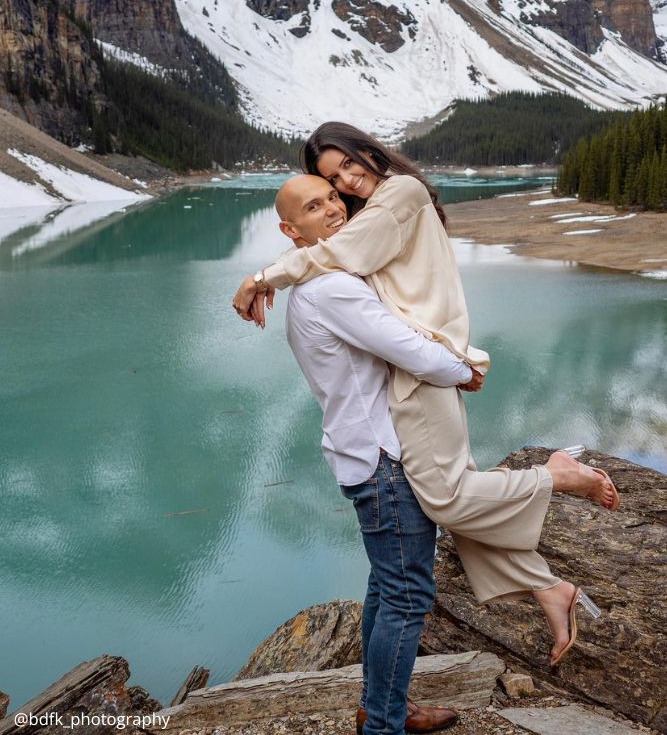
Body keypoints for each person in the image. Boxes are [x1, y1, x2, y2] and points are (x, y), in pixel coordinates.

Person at [232, 122, 619, 667]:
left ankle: (557, 476)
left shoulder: (399, 194)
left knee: (446, 499)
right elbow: (358, 270)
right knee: (448, 501)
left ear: (367, 150)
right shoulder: (375, 214)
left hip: (424, 370)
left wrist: (263, 277)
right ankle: (549, 591)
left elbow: (336, 257)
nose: (346, 183)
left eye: (346, 166)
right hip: (423, 368)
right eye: (331, 180)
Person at [273, 173, 465, 735]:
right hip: (383, 461)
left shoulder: (323, 279)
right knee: (407, 597)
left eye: (333, 196)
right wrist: (465, 369)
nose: (333, 208)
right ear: (291, 229)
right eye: (314, 206)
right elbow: (410, 351)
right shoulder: (330, 288)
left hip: (365, 455)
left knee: (387, 587)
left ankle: (380, 707)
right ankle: (382, 724)